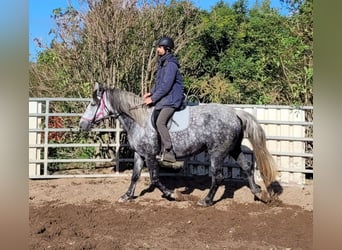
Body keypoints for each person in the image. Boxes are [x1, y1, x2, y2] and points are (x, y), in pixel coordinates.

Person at [143, 36, 184, 163]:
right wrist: (151, 93)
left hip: (172, 99)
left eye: (160, 47)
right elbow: (159, 83)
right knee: (154, 119)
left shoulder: (171, 65)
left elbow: (166, 86)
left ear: (166, 49)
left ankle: (169, 152)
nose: (157, 49)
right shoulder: (163, 64)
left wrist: (153, 98)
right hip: (166, 98)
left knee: (160, 122)